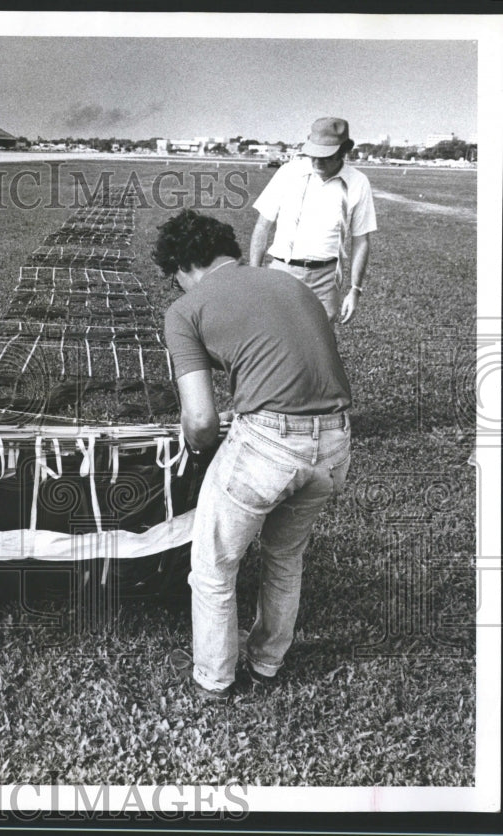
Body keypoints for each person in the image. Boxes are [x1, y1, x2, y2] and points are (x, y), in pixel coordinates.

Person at [156, 209, 353, 703]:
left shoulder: (185, 310)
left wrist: (203, 449)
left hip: (268, 444)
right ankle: (267, 664)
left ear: (182, 267)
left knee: (214, 565)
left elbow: (200, 421)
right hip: (335, 443)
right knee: (285, 557)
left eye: (173, 279)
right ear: (229, 250)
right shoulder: (294, 285)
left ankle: (214, 679)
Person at [249, 117, 377, 326]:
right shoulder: (288, 172)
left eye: (325, 157)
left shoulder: (358, 182)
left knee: (318, 348)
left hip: (327, 279)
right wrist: (254, 275)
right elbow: (262, 226)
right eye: (313, 155)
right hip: (283, 272)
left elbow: (361, 240)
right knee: (276, 340)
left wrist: (355, 290)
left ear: (343, 152)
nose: (317, 162)